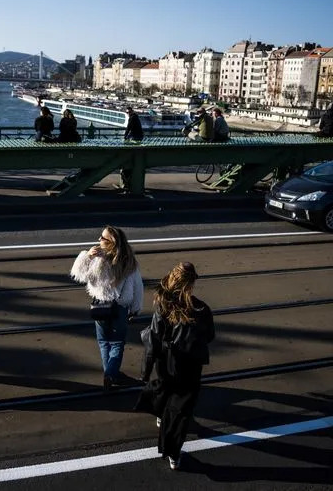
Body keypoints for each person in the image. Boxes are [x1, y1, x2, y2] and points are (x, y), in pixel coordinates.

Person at [135, 262, 215, 471]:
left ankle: (161, 416)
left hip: (166, 363)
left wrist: (145, 371)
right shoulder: (201, 309)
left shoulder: (163, 306)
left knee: (165, 390)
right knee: (181, 413)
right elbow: (210, 336)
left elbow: (152, 340)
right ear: (190, 285)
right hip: (189, 367)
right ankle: (173, 453)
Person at [71, 225, 143, 389]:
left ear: (112, 242)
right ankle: (111, 374)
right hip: (120, 308)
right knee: (117, 344)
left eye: (103, 238)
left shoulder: (97, 259)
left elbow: (79, 275)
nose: (99, 240)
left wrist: (87, 257)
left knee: (104, 343)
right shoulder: (129, 260)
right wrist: (136, 308)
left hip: (100, 308)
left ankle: (110, 374)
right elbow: (138, 286)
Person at [115, 107, 144, 192]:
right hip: (139, 136)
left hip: (136, 137)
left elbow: (129, 128)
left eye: (128, 112)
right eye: (127, 112)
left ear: (131, 112)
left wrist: (125, 137)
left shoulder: (132, 118)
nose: (128, 114)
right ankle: (129, 182)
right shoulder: (136, 117)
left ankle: (126, 182)